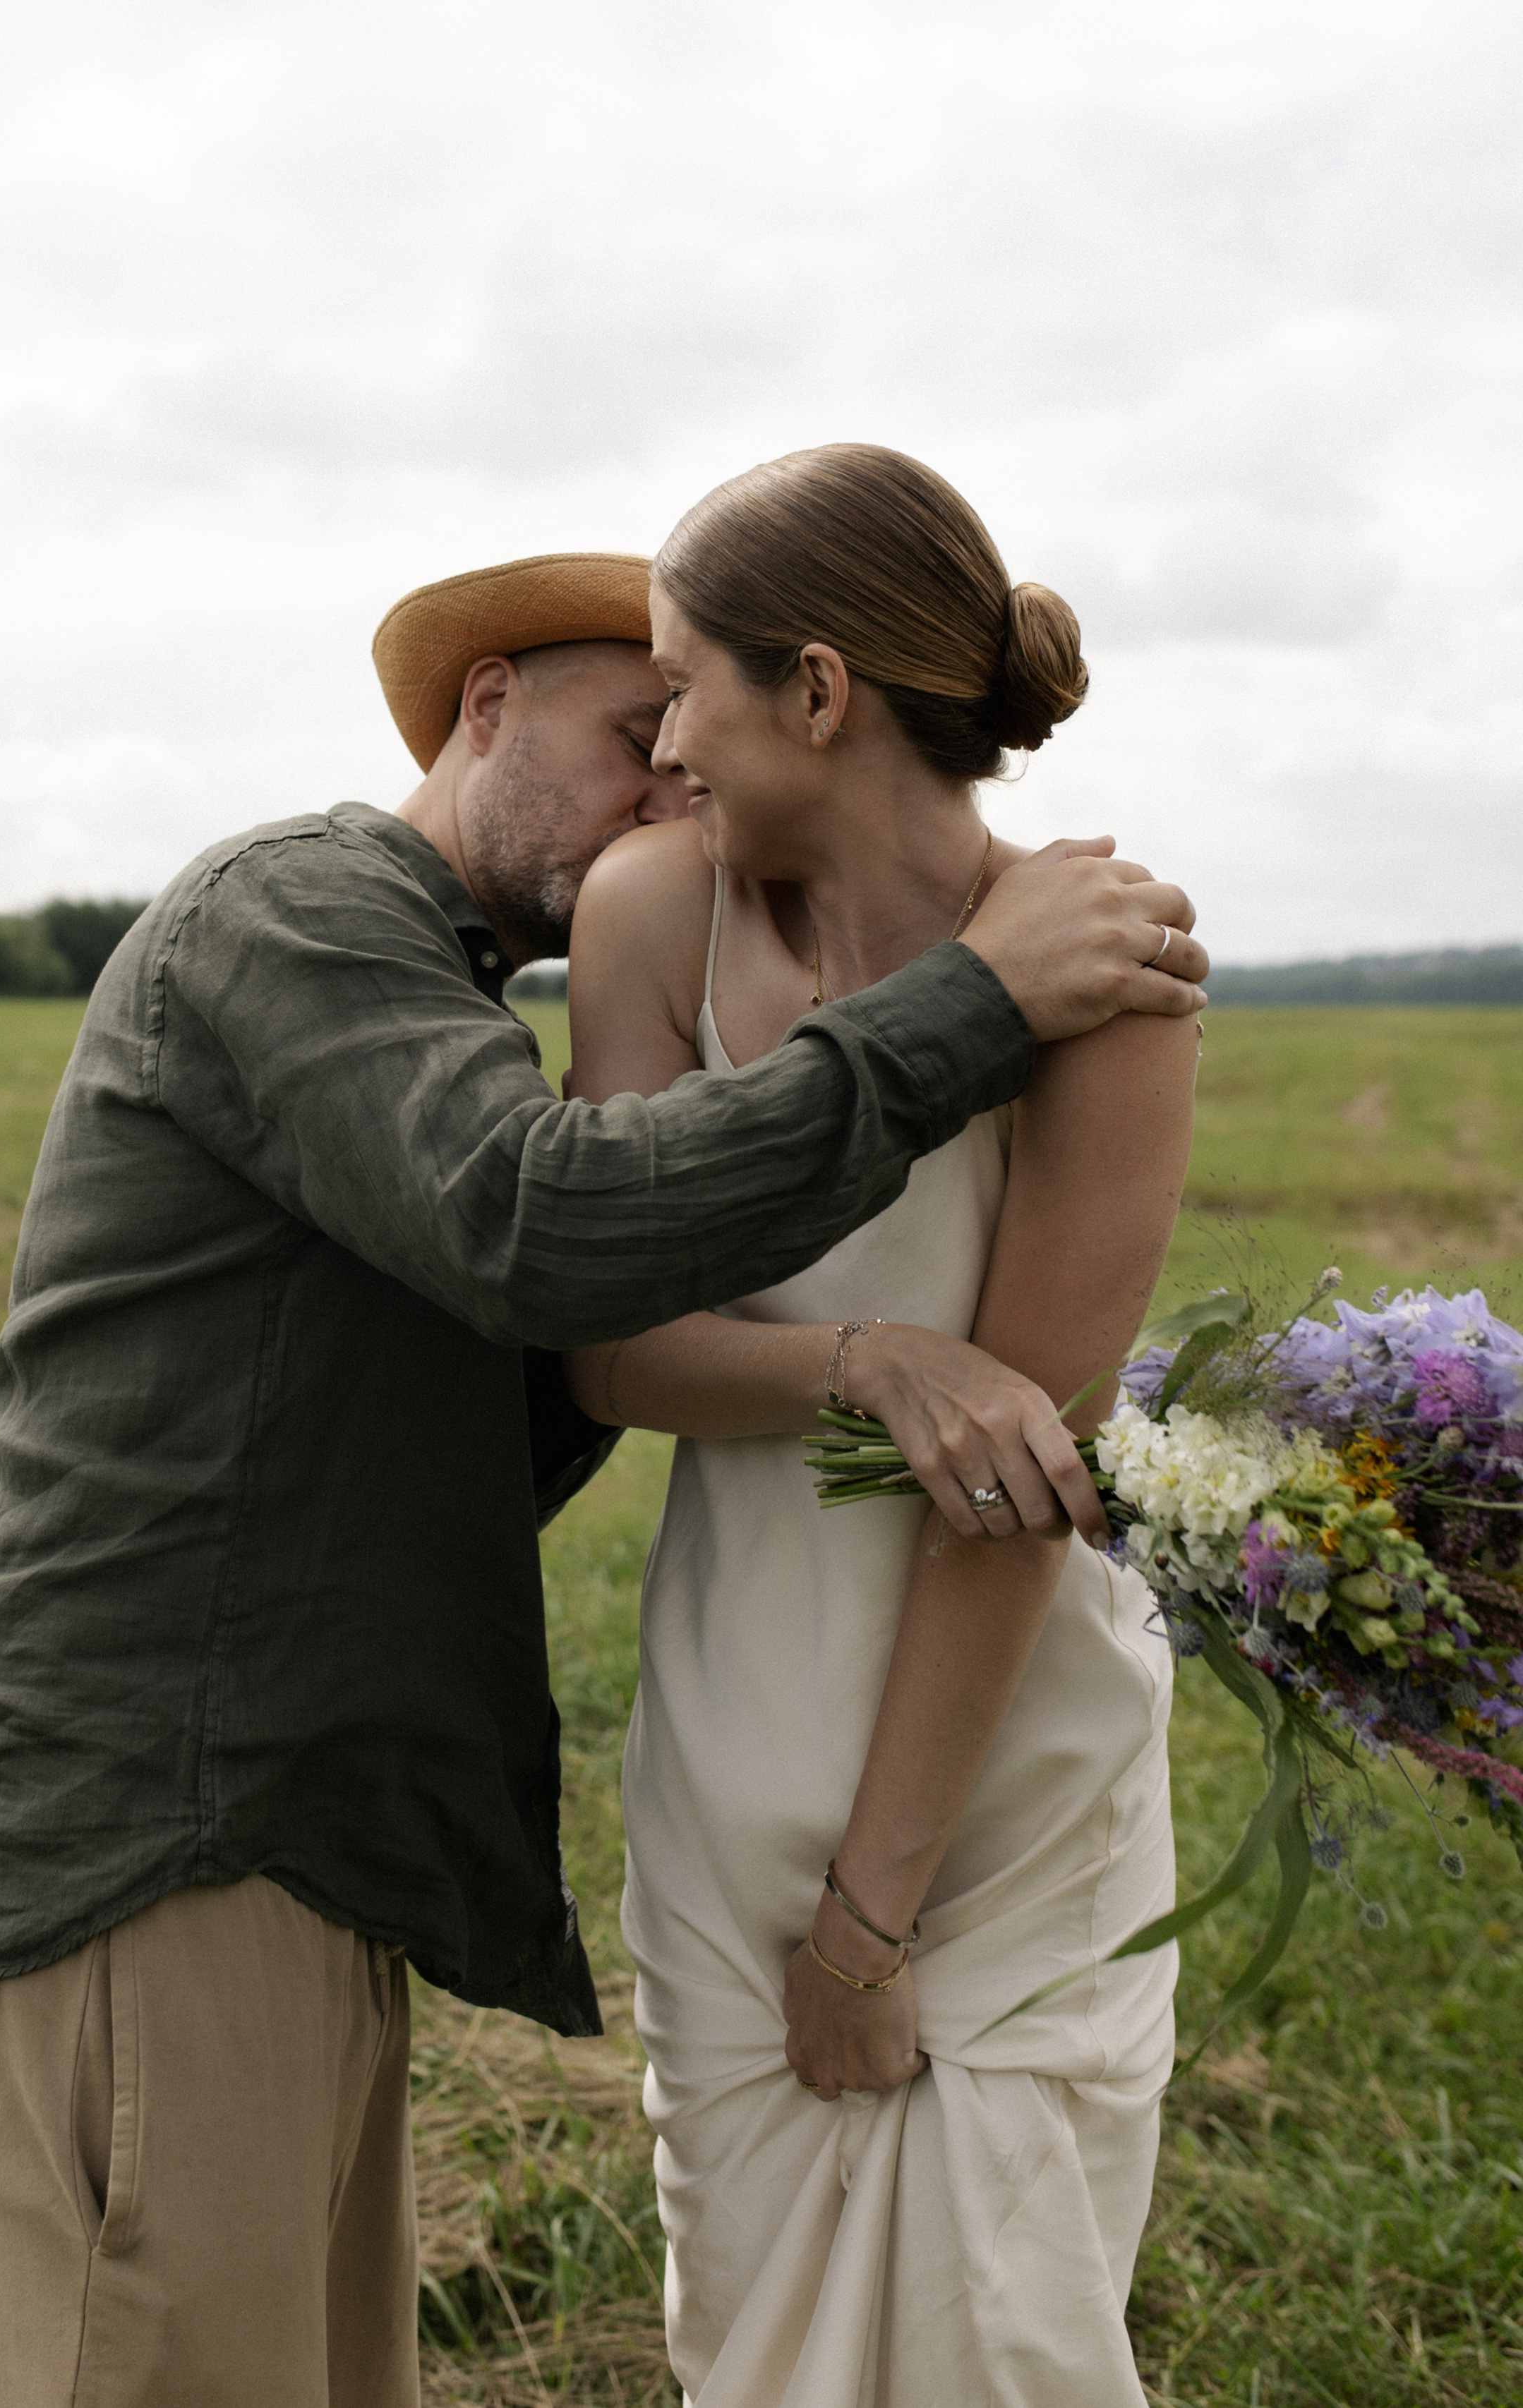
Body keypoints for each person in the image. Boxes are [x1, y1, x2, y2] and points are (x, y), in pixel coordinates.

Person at [0, 547, 1206, 2408]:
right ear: (483, 709)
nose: (675, 789)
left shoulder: (440, 1007)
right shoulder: (301, 907)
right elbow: (542, 1232)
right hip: (145, 1850)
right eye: (629, 735)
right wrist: (972, 1014)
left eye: (689, 745)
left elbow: (519, 1386)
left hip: (279, 1852)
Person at [565, 447, 1198, 2406]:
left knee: (1007, 2348)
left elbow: (1028, 1480)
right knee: (748, 2347)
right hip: (731, 1746)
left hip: (1009, 1786)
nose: (662, 742)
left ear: (818, 692)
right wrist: (864, 1363)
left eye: (685, 685)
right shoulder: (654, 912)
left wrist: (876, 1911)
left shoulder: (1110, 970)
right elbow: (611, 1346)